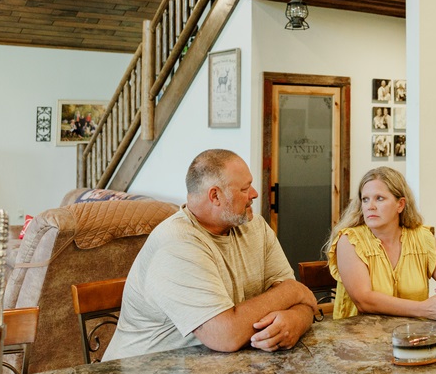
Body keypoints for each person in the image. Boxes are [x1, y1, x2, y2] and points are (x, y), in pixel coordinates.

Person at [103, 149, 317, 358]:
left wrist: (295, 320)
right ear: (215, 195)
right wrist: (293, 291)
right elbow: (225, 336)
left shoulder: (255, 226)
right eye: (245, 189)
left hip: (216, 372)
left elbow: (303, 304)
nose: (254, 194)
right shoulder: (176, 243)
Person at [325, 167, 436, 322]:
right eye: (365, 199)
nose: (370, 206)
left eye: (379, 198)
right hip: (360, 340)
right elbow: (364, 300)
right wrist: (425, 309)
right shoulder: (349, 241)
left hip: (414, 336)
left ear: (400, 205)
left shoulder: (422, 238)